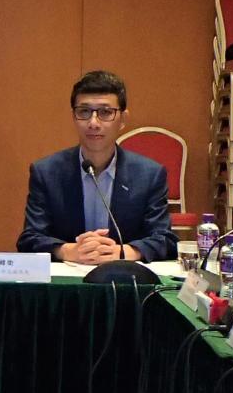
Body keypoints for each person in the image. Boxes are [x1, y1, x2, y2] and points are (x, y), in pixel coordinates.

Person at [16, 71, 177, 263]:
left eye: (105, 112)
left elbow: (164, 240)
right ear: (74, 117)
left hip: (124, 277)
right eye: (84, 112)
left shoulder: (149, 175)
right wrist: (68, 251)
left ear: (123, 119)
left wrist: (123, 252)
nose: (93, 123)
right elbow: (30, 239)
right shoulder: (46, 172)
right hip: (69, 276)